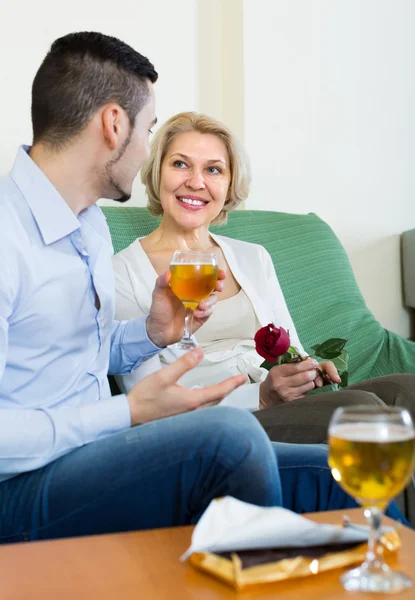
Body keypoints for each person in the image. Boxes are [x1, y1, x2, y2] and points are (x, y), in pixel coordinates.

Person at [0, 32, 379, 544]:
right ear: (115, 125)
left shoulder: (85, 222)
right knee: (229, 436)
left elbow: (81, 350)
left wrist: (150, 332)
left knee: (361, 464)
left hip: (93, 455)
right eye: (149, 130)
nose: (147, 152)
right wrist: (124, 413)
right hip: (20, 487)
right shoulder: (8, 235)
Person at [112, 111, 415, 523]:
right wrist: (260, 396)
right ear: (157, 172)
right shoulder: (122, 271)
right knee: (367, 414)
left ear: (229, 183)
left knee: (407, 392)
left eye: (213, 169)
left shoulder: (253, 257)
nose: (196, 181)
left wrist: (307, 371)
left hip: (279, 404)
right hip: (215, 425)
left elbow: (290, 350)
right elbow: (153, 401)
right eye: (180, 163)